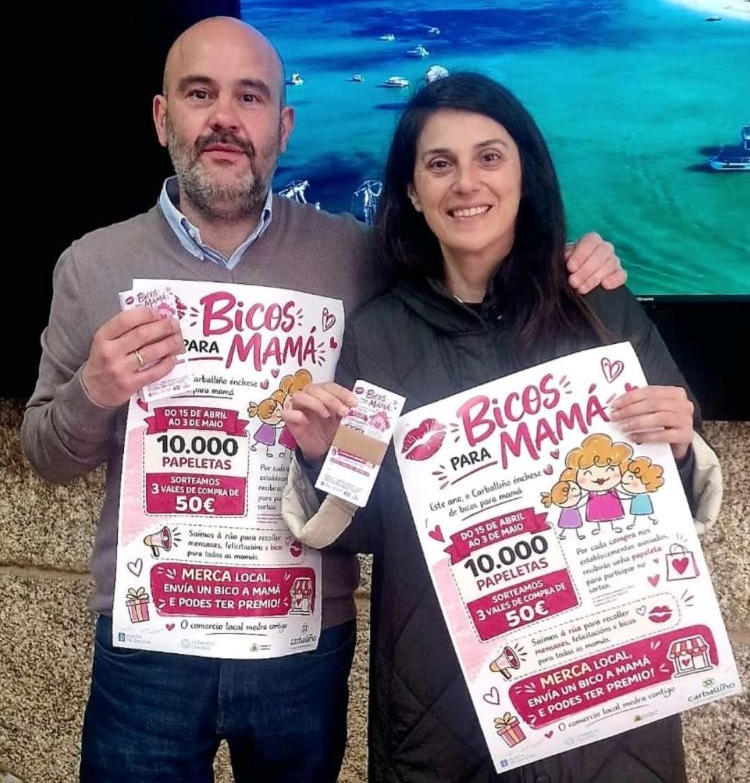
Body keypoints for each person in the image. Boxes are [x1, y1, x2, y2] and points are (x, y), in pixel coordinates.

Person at [20, 14, 626, 783]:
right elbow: (46, 454)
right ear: (162, 117)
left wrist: (573, 263)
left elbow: (471, 301)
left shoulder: (358, 257)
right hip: (149, 647)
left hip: (301, 650)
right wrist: (94, 392)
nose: (225, 118)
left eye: (250, 97)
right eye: (200, 94)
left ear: (283, 125)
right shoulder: (92, 264)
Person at [282, 73, 716, 782]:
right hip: (444, 714)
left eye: (489, 157)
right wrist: (323, 458)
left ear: (524, 174)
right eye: (439, 163)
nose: (466, 184)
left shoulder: (600, 305)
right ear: (412, 191)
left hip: (607, 708)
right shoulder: (377, 336)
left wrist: (681, 440)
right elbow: (367, 529)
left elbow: (675, 484)